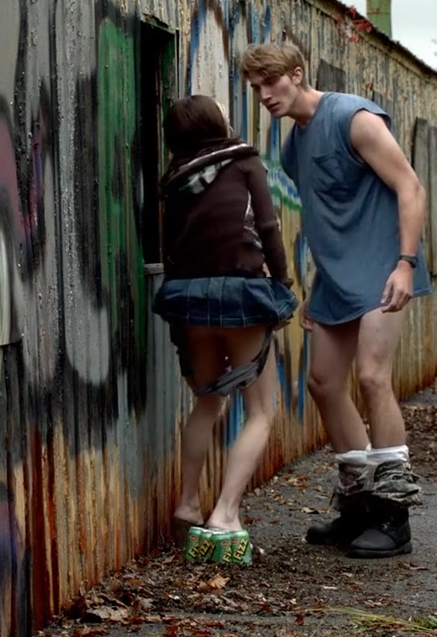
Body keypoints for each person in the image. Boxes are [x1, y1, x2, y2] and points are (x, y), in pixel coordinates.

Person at [239, 42, 428, 559]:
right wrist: (317, 281)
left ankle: (394, 516)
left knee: (372, 377)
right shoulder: (292, 146)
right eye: (256, 87)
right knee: (323, 382)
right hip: (336, 277)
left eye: (271, 82)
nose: (264, 94)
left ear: (297, 74)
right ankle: (359, 505)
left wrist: (406, 263)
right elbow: (325, 217)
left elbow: (410, 187)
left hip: (384, 266)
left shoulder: (353, 117)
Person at [151, 95, 298, 565]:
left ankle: (188, 504)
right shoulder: (244, 162)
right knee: (261, 410)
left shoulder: (173, 178)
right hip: (241, 294)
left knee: (208, 400)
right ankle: (225, 514)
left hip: (188, 297)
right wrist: (282, 282)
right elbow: (268, 226)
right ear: (216, 122)